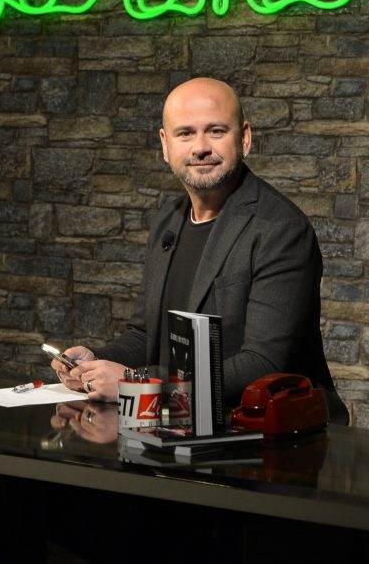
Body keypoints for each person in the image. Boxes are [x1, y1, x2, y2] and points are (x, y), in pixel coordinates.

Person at [52, 77, 348, 424]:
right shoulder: (168, 220)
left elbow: (262, 365)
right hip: (186, 426)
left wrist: (137, 382)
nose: (200, 148)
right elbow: (146, 335)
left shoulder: (280, 229)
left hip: (271, 434)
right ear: (165, 145)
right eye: (185, 133)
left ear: (244, 138)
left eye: (216, 131)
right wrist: (94, 362)